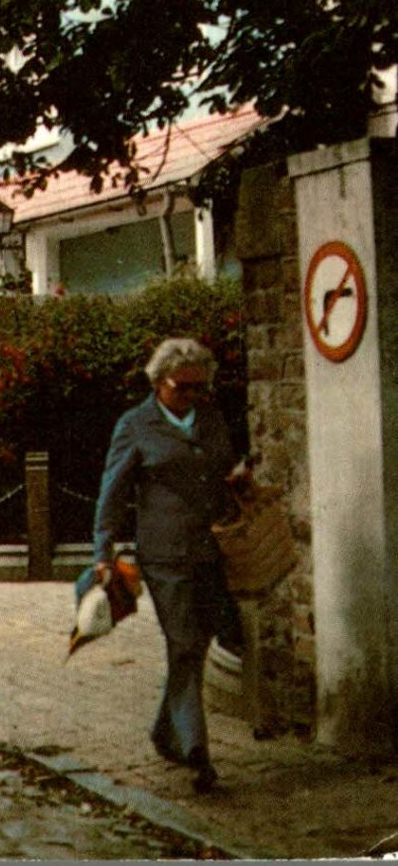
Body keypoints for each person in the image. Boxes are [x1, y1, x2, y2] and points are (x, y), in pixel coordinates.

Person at [92, 338, 250, 795]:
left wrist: (238, 481)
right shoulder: (135, 426)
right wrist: (102, 553)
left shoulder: (212, 418)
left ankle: (167, 730)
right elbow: (112, 492)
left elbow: (224, 469)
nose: (194, 396)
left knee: (198, 643)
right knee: (183, 641)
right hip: (163, 556)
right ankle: (195, 749)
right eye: (184, 388)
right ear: (159, 383)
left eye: (201, 389)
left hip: (211, 551)